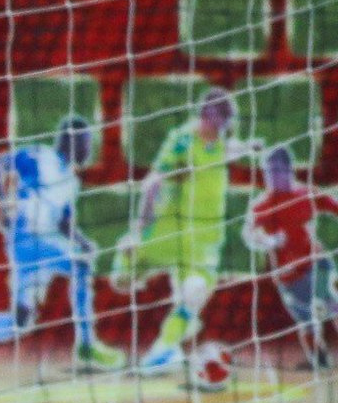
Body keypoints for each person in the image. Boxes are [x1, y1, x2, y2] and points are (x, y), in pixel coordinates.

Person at [0, 116, 123, 371]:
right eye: (86, 142)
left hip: (42, 244)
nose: (89, 149)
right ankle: (87, 344)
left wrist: (82, 241)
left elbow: (64, 222)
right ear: (71, 141)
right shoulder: (40, 156)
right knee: (80, 265)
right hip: (27, 238)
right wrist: (5, 201)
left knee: (20, 322)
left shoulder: (72, 182)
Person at [111, 87, 261, 376]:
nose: (224, 128)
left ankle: (165, 348)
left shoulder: (220, 143)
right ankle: (129, 265)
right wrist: (138, 228)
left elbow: (228, 150)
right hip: (172, 228)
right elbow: (154, 182)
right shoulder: (183, 141)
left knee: (194, 292)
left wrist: (248, 147)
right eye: (221, 120)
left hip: (205, 239)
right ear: (207, 115)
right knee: (122, 279)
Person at [243, 146, 338, 368]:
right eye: (268, 171)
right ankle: (319, 358)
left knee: (331, 301)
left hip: (314, 261)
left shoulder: (305, 194)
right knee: (306, 321)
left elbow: (333, 206)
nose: (271, 176)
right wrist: (268, 241)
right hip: (287, 275)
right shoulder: (262, 205)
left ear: (289, 169)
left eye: (276, 170)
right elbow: (249, 234)